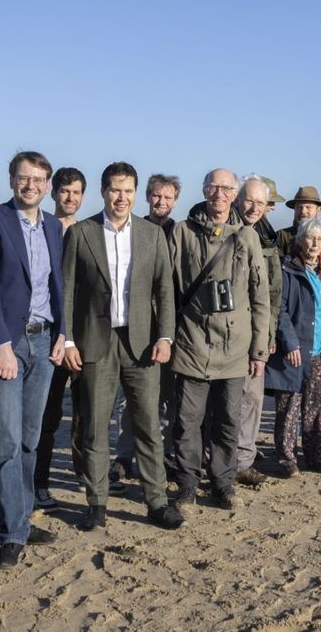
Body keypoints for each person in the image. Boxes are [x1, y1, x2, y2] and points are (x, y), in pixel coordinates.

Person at [61, 162, 185, 531]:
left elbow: (164, 289)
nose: (122, 197)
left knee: (148, 425)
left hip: (142, 344)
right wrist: (67, 339)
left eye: (128, 190)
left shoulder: (151, 235)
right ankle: (96, 503)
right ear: (103, 191)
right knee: (97, 428)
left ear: (135, 194)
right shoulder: (81, 234)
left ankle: (157, 501)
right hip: (95, 343)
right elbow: (67, 291)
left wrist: (165, 336)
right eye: (116, 189)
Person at [0, 151, 65, 569]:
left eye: (39, 179)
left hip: (45, 344)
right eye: (24, 178)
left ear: (47, 184)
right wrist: (1, 345)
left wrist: (64, 333)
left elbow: (58, 284)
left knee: (31, 439)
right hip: (10, 346)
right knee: (5, 442)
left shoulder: (52, 226)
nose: (31, 185)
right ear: (12, 180)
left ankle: (24, 516)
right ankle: (11, 533)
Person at [170, 168, 270, 513]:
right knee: (187, 423)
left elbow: (261, 298)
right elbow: (166, 291)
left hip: (235, 350)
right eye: (213, 187)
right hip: (191, 345)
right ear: (204, 190)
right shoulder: (181, 233)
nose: (219, 194)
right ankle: (186, 484)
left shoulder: (247, 237)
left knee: (228, 423)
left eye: (227, 188)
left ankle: (223, 483)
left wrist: (259, 350)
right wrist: (166, 339)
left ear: (234, 194)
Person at [108, 172, 183, 488]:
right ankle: (125, 456)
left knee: (167, 397)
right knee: (131, 399)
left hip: (170, 326)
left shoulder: (181, 232)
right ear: (146, 197)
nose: (161, 202)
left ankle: (161, 453)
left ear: (175, 200)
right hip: (136, 325)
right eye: (156, 196)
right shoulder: (134, 229)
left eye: (167, 197)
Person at [266, 217, 321, 477]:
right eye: (310, 238)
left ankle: (317, 457)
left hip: (320, 352)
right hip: (294, 351)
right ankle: (287, 460)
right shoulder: (287, 268)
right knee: (288, 410)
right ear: (300, 240)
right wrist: (289, 342)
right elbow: (280, 310)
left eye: (319, 239)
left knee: (319, 408)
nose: (314, 243)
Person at [32, 166, 88, 513]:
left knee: (85, 414)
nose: (70, 198)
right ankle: (39, 483)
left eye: (76, 192)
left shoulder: (89, 232)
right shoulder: (45, 229)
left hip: (87, 336)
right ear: (54, 193)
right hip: (52, 338)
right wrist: (63, 338)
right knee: (46, 416)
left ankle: (85, 475)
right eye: (65, 191)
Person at [230, 175, 282, 487]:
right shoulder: (223, 229)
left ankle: (243, 462)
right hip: (223, 333)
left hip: (255, 333)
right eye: (248, 200)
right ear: (237, 198)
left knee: (251, 400)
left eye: (260, 203)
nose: (253, 207)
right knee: (221, 403)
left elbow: (272, 294)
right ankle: (218, 460)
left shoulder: (268, 238)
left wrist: (267, 335)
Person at [276, 186, 321, 261]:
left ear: (319, 209)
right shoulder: (282, 236)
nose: (303, 211)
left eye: (308, 207)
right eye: (299, 207)